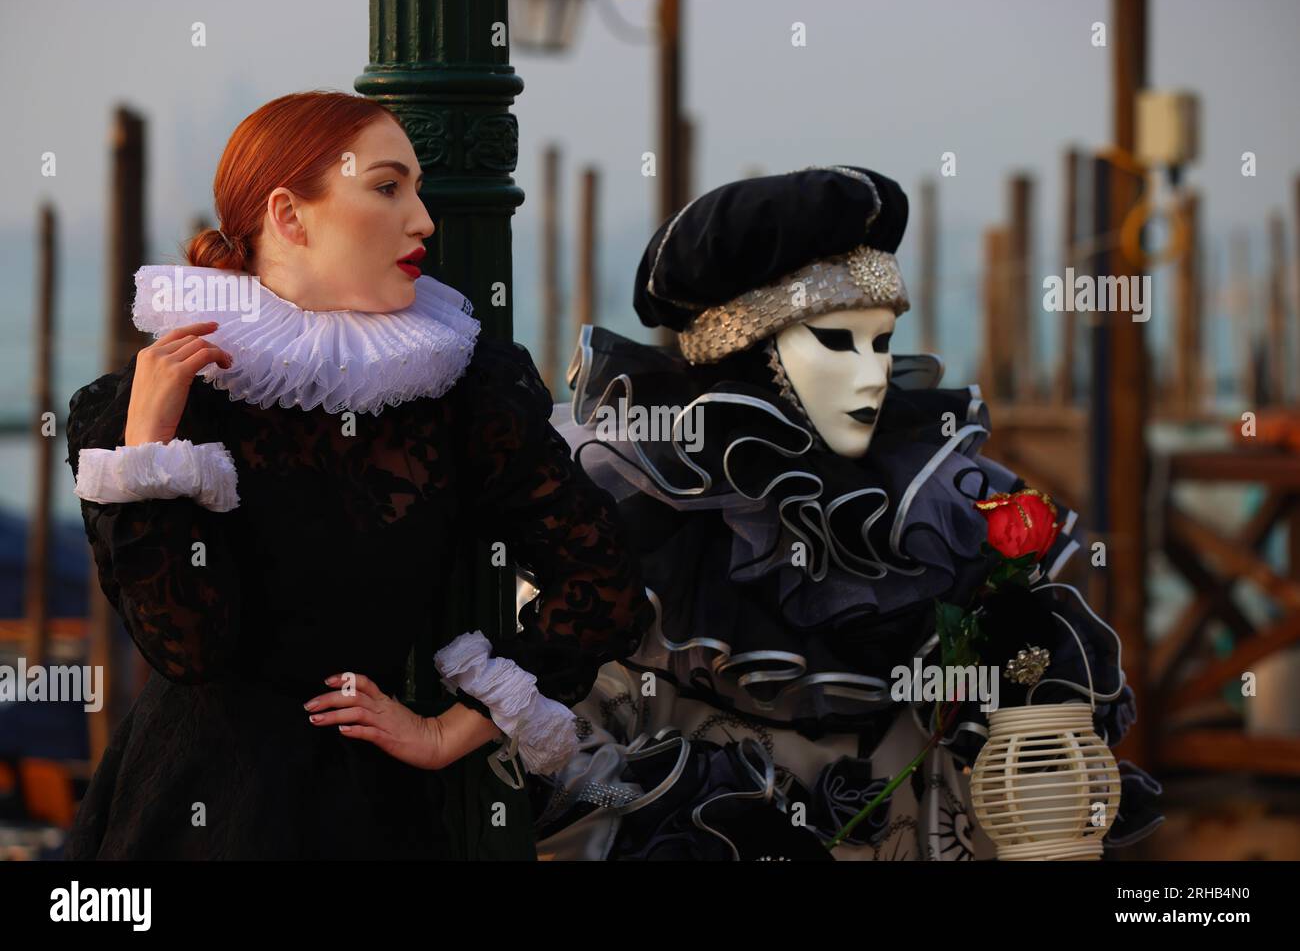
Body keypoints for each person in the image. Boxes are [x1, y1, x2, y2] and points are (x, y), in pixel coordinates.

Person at [65, 90, 654, 859]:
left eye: (417, 188)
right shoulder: (157, 399)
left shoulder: (458, 389)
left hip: (368, 813)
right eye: (387, 187)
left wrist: (451, 729)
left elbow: (603, 583)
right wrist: (148, 444)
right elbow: (189, 651)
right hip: (183, 809)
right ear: (288, 215)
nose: (424, 221)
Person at [526, 166, 1164, 860]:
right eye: (838, 341)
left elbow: (1012, 811)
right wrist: (682, 814)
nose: (874, 373)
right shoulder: (623, 521)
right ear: (752, 351)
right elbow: (550, 768)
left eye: (883, 340)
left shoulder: (933, 520)